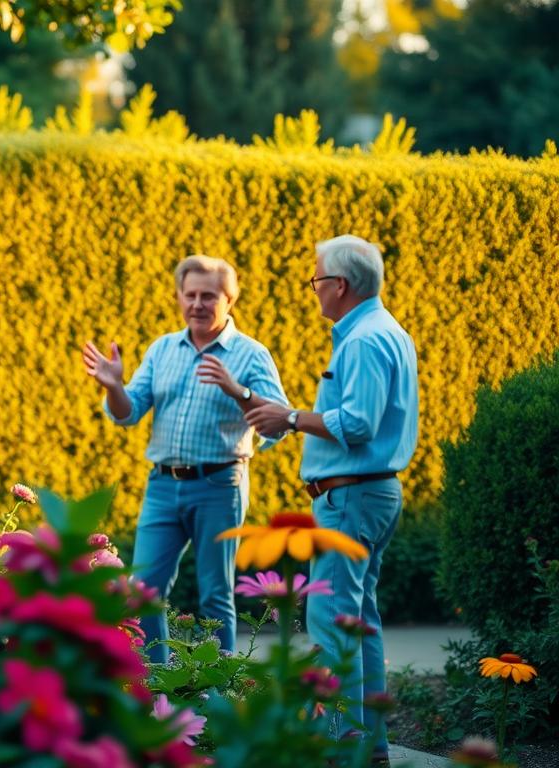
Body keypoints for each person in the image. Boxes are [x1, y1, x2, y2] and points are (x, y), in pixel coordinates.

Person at [245, 235, 419, 760]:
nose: (314, 290)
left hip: (350, 500)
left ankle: (344, 752)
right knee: (358, 622)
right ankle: (371, 749)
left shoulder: (363, 340)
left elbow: (359, 424)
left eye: (317, 280)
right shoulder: (387, 332)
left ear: (339, 285)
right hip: (369, 496)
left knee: (334, 626)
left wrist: (290, 418)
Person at [82, 254, 288, 662]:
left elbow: (279, 426)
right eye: (190, 294)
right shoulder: (162, 349)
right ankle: (160, 686)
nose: (197, 304)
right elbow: (128, 413)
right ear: (179, 297)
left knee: (215, 595)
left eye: (208, 296)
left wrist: (238, 391)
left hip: (219, 486)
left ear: (230, 300)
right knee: (143, 591)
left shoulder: (251, 355)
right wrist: (113, 386)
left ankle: (220, 693)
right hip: (162, 486)